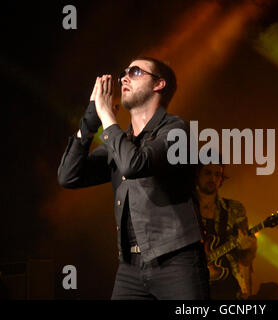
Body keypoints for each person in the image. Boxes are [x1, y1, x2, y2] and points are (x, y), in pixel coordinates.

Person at [57, 57, 209, 300]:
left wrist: (107, 117)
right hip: (130, 267)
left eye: (136, 72)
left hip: (176, 261)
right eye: (124, 72)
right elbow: (69, 176)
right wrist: (89, 121)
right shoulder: (120, 142)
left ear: (158, 84)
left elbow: (134, 164)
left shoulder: (175, 130)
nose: (124, 77)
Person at [196, 162, 257, 300]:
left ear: (222, 179)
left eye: (217, 174)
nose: (213, 178)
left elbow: (246, 260)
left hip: (228, 288)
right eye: (207, 173)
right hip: (194, 286)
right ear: (197, 175)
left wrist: (250, 247)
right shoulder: (185, 208)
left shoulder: (234, 209)